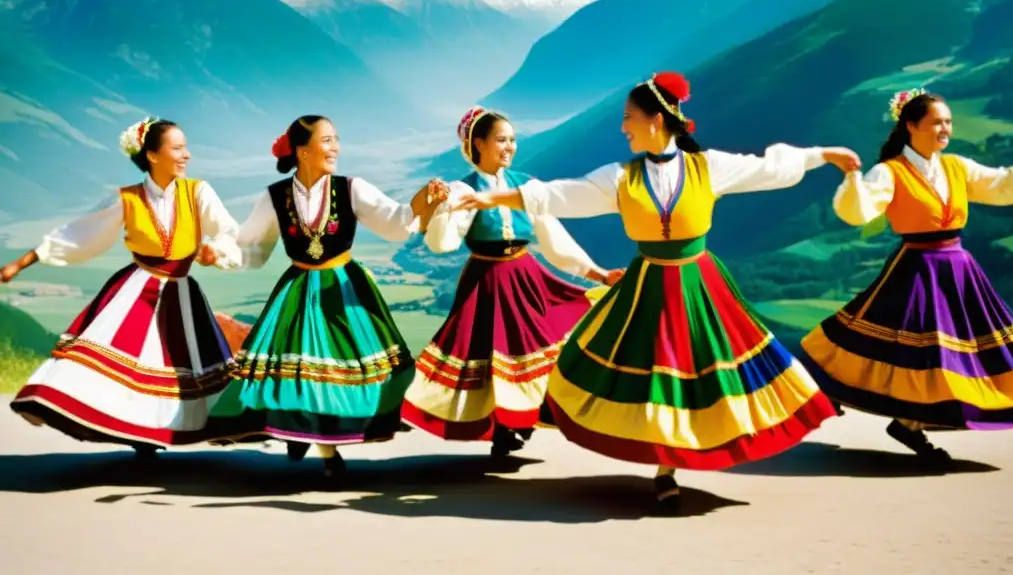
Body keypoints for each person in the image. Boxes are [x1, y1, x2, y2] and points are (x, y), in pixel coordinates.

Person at [450, 72, 861, 508]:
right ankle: (666, 467)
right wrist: (493, 199)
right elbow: (562, 195)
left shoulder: (708, 167)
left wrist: (824, 154)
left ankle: (686, 457)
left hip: (698, 283)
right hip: (649, 285)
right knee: (657, 377)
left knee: (712, 368)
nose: (623, 126)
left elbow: (767, 168)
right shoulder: (620, 178)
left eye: (629, 117)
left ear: (656, 120)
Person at [206, 115, 447, 479]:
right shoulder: (275, 196)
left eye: (336, 140)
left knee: (334, 370)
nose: (336, 148)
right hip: (299, 291)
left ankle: (315, 437)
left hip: (343, 290)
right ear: (302, 152)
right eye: (327, 141)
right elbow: (251, 247)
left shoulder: (352, 188)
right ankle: (325, 450)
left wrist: (422, 203)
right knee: (305, 369)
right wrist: (219, 255)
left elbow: (396, 224)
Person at [801, 89, 1013, 464]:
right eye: (937, 122)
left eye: (949, 122)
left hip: (958, 267)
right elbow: (860, 209)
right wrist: (854, 181)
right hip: (918, 269)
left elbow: (1002, 183)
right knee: (915, 351)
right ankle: (866, 403)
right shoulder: (890, 171)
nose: (945, 129)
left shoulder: (956, 167)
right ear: (911, 125)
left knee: (951, 352)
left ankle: (909, 423)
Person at [4, 118, 245, 455]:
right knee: (125, 365)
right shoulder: (128, 199)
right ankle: (136, 435)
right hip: (136, 292)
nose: (186, 155)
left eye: (185, 147)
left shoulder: (198, 192)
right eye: (177, 148)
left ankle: (164, 432)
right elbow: (78, 235)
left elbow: (228, 232)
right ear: (152, 155)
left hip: (180, 294)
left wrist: (215, 252)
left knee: (181, 369)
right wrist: (22, 262)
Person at [401, 107, 622, 456]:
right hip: (486, 282)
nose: (510, 146)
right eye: (502, 139)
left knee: (540, 349)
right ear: (479, 144)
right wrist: (442, 209)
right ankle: (504, 432)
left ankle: (526, 418)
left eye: (513, 139)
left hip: (525, 275)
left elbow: (554, 238)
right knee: (493, 357)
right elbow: (442, 244)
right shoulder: (463, 190)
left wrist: (597, 273)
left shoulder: (527, 186)